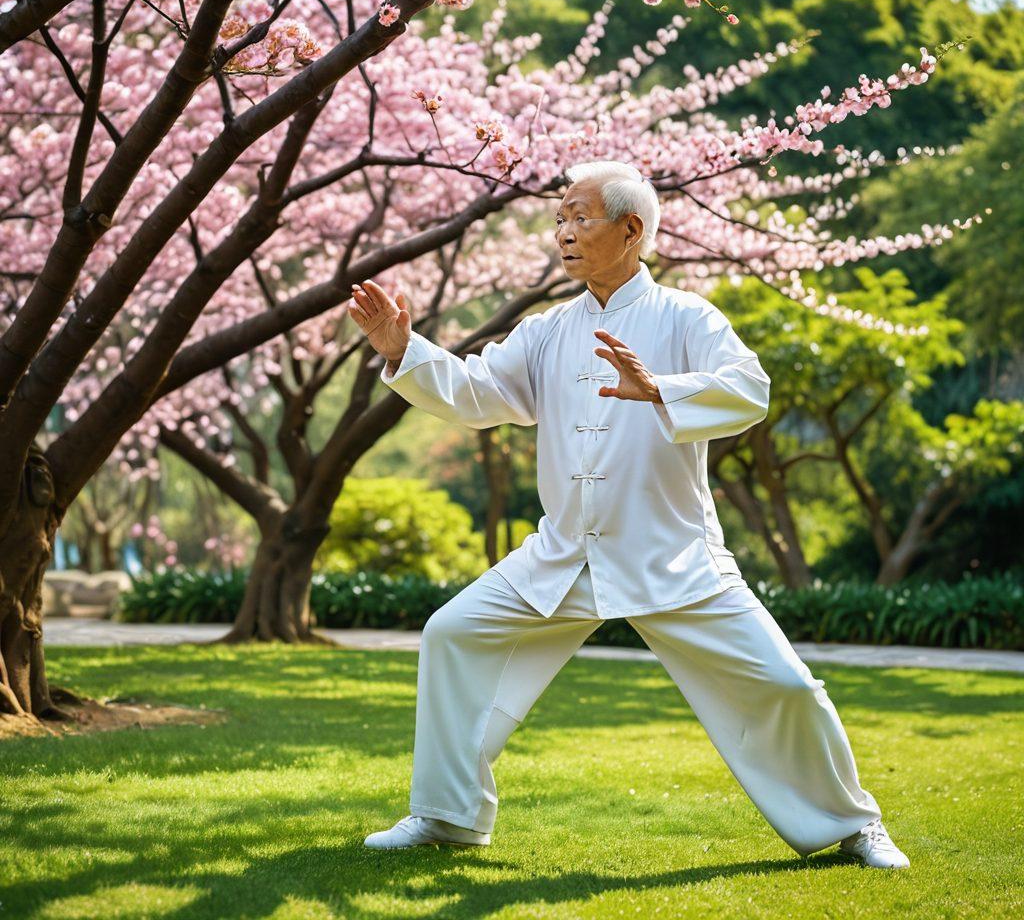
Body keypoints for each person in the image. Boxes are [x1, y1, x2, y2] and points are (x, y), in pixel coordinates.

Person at [346, 160, 909, 869]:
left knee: (787, 684)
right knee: (453, 633)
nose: (564, 233)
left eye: (580, 217)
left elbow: (749, 389)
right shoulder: (548, 330)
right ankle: (446, 815)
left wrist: (661, 390)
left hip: (672, 556)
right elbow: (481, 392)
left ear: (631, 229)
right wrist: (406, 353)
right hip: (565, 555)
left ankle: (855, 827)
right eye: (559, 218)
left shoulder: (686, 317)